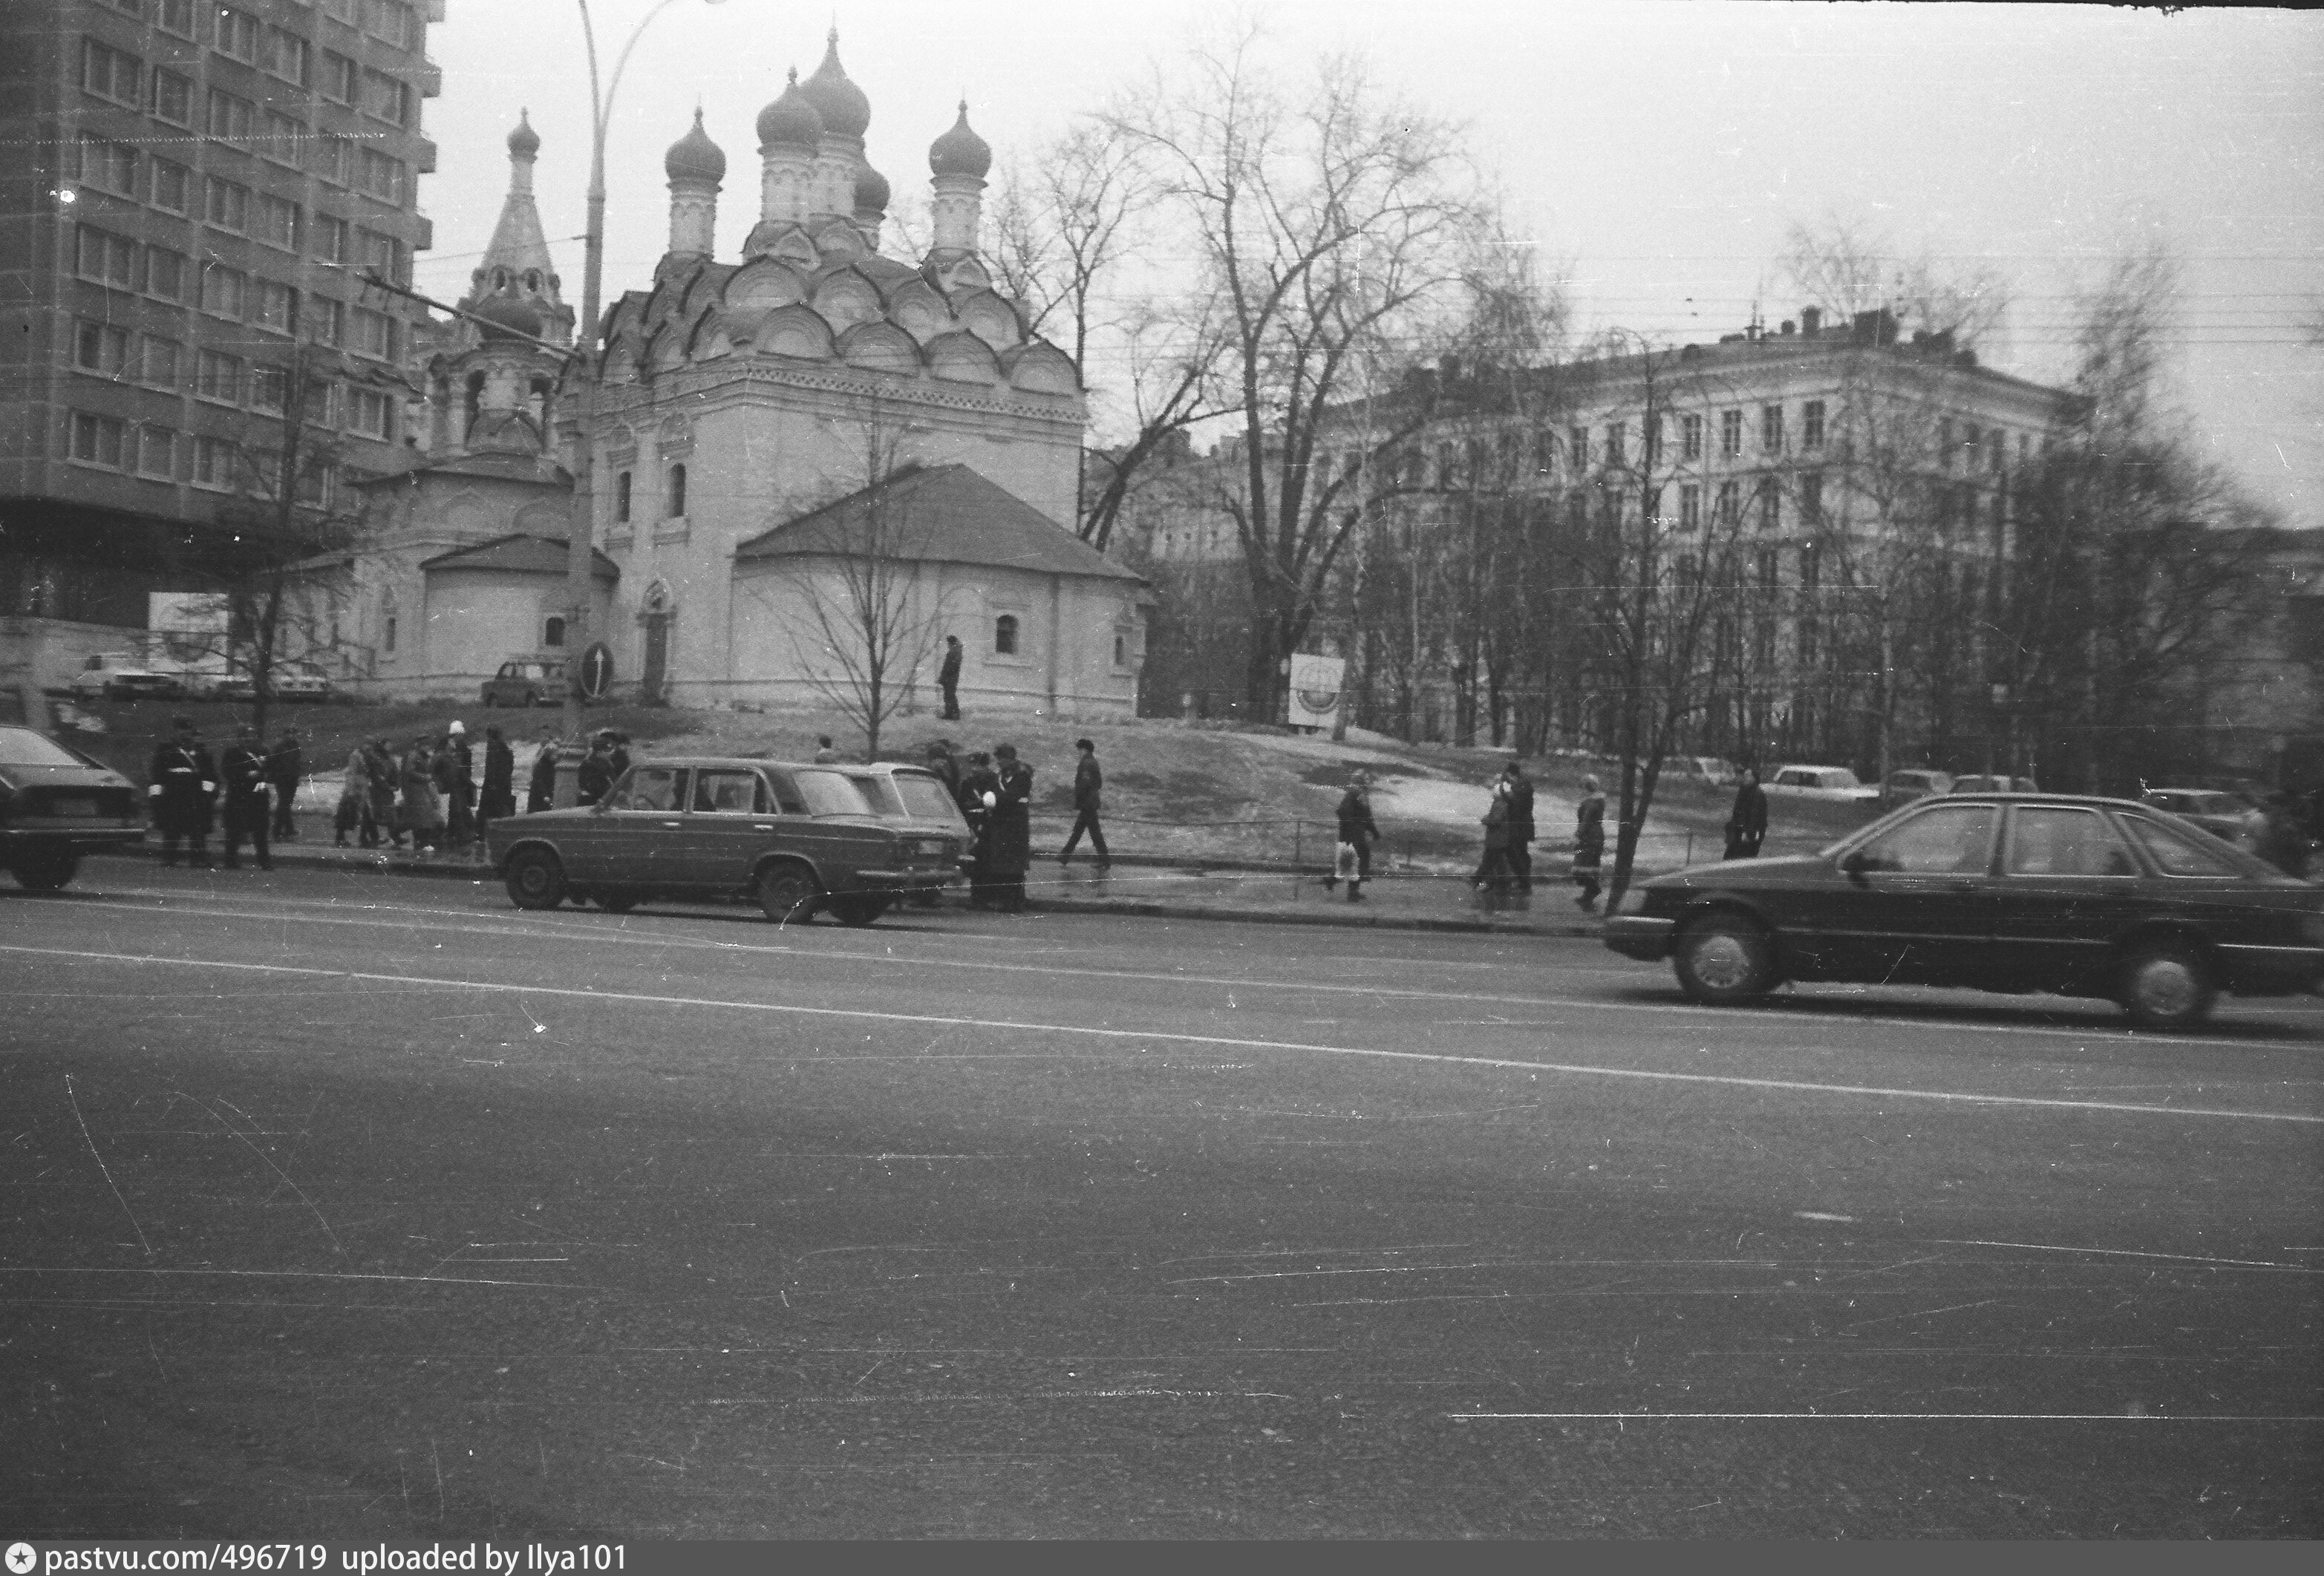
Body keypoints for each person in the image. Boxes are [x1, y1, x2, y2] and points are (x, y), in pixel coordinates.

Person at [147, 716, 217, 869]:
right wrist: (156, 796)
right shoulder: (165, 748)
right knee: (172, 828)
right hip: (173, 795)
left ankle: (197, 858)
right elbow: (158, 774)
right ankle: (169, 858)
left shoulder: (200, 750)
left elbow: (209, 774)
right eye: (182, 729)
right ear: (175, 730)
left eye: (188, 730)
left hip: (195, 795)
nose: (185, 733)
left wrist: (207, 794)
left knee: (197, 830)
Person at [218, 723, 273, 871]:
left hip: (258, 797)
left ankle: (264, 861)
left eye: (250, 736)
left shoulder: (263, 752)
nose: (248, 739)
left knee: (260, 831)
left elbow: (271, 770)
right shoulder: (232, 753)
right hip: (238, 796)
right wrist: (246, 775)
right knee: (234, 830)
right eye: (244, 736)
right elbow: (228, 772)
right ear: (239, 738)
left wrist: (264, 777)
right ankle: (230, 861)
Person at [989, 742, 1034, 912]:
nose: (998, 762)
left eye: (1000, 759)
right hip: (1002, 824)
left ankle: (1016, 901)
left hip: (1016, 826)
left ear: (1008, 759)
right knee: (1002, 864)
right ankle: (1006, 900)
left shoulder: (1021, 776)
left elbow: (1012, 796)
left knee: (1015, 865)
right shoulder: (1001, 776)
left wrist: (994, 800)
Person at [1324, 770, 1379, 902]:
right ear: (1361, 781)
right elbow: (1344, 811)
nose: (1370, 782)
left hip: (1353, 833)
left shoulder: (1358, 793)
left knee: (1352, 860)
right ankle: (1350, 891)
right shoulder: (1358, 793)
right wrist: (1356, 826)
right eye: (1367, 780)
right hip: (1354, 834)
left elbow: (1363, 815)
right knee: (1356, 860)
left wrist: (1370, 830)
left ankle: (1335, 882)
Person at [958, 751, 999, 908]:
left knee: (985, 862)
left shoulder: (994, 781)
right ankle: (977, 898)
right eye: (973, 765)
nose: (974, 769)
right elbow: (961, 802)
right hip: (974, 824)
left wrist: (973, 805)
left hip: (988, 824)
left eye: (978, 765)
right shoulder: (969, 782)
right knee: (976, 862)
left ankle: (985, 897)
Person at [1059, 737, 1109, 867]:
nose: (1078, 752)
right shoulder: (1093, 761)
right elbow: (1098, 783)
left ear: (1084, 749)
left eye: (1079, 750)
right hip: (1091, 802)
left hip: (1087, 803)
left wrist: (1077, 796)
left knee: (1091, 833)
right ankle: (1064, 856)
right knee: (1083, 832)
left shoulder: (1086, 762)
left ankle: (1105, 861)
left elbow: (1084, 783)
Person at [399, 736, 445, 852]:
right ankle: (421, 843)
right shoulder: (414, 756)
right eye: (425, 745)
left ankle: (422, 843)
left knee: (423, 817)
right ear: (420, 745)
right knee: (421, 818)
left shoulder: (421, 756)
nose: (428, 747)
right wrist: (426, 777)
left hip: (421, 789)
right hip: (416, 790)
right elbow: (410, 772)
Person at [1472, 779, 1514, 896]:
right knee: (1494, 861)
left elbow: (1495, 820)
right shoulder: (1505, 804)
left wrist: (1485, 819)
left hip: (1496, 839)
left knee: (1489, 861)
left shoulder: (1499, 804)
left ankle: (1487, 883)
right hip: (1501, 839)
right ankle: (1479, 880)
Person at [2256, 791, 2310, 880]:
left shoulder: (2287, 826)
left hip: (2286, 872)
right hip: (2279, 871)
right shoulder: (2274, 823)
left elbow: (2296, 850)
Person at [1573, 774, 1607, 912]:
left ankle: (1593, 889)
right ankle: (1589, 894)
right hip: (1598, 834)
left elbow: (1585, 821)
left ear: (1586, 787)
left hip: (1589, 836)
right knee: (1591, 865)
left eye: (1582, 787)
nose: (1581, 790)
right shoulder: (1599, 801)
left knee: (1581, 867)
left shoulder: (1589, 803)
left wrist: (1578, 834)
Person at [1501, 759, 1535, 893]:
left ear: (1511, 774)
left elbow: (1514, 801)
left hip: (1520, 825)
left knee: (1516, 853)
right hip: (1523, 824)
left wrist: (1503, 790)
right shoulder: (1523, 784)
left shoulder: (1521, 786)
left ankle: (1524, 883)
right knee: (1520, 852)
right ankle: (1523, 881)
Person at [443, 721, 476, 849]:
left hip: (456, 782)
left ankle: (451, 834)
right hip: (457, 783)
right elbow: (460, 767)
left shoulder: (451, 745)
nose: (462, 737)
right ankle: (463, 835)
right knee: (459, 809)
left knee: (457, 809)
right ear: (456, 734)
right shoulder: (455, 747)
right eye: (460, 734)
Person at [1723, 764, 1767, 860]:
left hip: (1750, 832)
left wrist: (1749, 833)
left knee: (1745, 856)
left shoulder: (1757, 794)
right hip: (1740, 830)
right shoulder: (1744, 791)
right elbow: (1738, 811)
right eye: (1745, 775)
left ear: (1754, 778)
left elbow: (1755, 816)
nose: (1745, 778)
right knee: (1730, 856)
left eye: (1748, 776)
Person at [478, 725, 517, 831]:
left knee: (489, 810)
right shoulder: (505, 748)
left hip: (493, 784)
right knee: (503, 808)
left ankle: (485, 831)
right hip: (505, 783)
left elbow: (491, 767)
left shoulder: (492, 746)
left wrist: (492, 783)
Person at [265, 728, 302, 840]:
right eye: (289, 734)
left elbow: (297, 762)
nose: (291, 736)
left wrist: (297, 774)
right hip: (282, 778)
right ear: (285, 735)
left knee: (286, 804)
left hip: (292, 777)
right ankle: (283, 830)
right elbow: (272, 762)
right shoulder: (280, 747)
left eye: (293, 734)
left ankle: (283, 830)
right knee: (284, 803)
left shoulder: (296, 746)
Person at [365, 739, 399, 849]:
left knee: (388, 815)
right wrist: (389, 787)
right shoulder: (376, 760)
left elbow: (395, 773)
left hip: (386, 791)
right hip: (379, 791)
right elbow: (377, 776)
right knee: (383, 816)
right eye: (387, 745)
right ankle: (389, 838)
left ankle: (391, 838)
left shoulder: (390, 759)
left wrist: (396, 785)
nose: (390, 747)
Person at [334, 742, 368, 847]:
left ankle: (342, 837)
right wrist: (351, 791)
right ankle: (342, 837)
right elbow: (353, 773)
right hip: (354, 788)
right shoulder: (356, 756)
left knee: (356, 812)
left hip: (358, 787)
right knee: (348, 813)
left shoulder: (362, 755)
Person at [526, 727, 561, 813]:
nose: (542, 739)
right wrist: (545, 795)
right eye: (541, 736)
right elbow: (539, 781)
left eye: (545, 736)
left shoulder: (549, 759)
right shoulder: (542, 762)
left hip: (545, 794)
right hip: (541, 795)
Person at [577, 734, 617, 806]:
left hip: (603, 800)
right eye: (607, 751)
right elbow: (590, 785)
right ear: (599, 751)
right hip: (591, 801)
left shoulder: (607, 764)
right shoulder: (589, 764)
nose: (610, 753)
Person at [938, 634, 964, 721]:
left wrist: (946, 675)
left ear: (951, 643)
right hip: (949, 677)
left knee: (950, 696)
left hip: (950, 678)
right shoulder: (955, 651)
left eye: (949, 644)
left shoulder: (955, 652)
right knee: (948, 696)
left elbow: (953, 666)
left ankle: (954, 714)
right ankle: (949, 713)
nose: (948, 645)